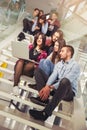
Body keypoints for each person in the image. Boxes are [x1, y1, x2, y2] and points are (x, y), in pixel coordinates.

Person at [29, 45, 80, 121]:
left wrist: (50, 87)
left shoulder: (75, 65)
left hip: (68, 92)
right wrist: (47, 86)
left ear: (69, 53)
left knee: (64, 81)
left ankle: (45, 113)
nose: (60, 53)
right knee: (38, 71)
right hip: (57, 89)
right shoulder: (59, 64)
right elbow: (53, 76)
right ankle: (43, 98)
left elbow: (67, 80)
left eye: (62, 51)